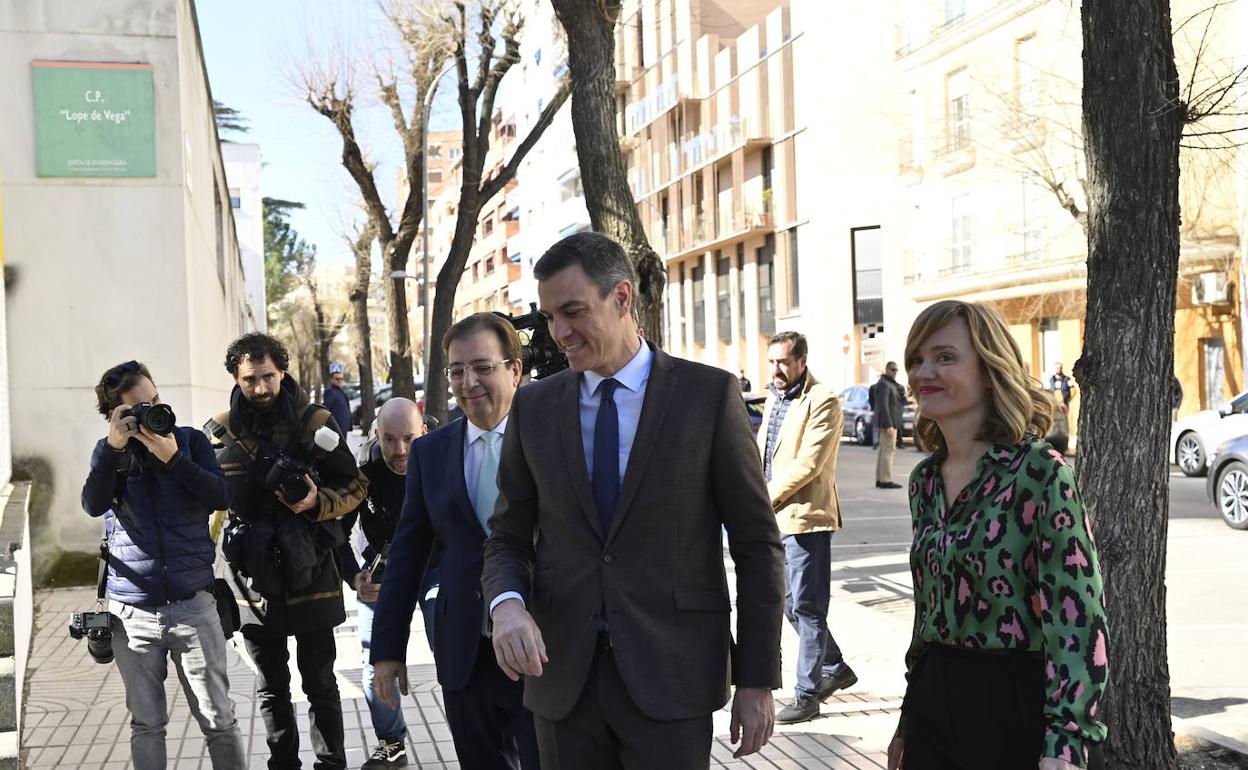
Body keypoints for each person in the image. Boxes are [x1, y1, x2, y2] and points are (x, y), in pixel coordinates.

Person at [482, 232, 785, 768]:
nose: (559, 333)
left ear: (622, 297)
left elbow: (757, 544)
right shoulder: (533, 407)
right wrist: (506, 606)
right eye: (550, 316)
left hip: (673, 677)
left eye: (573, 311)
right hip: (562, 679)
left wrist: (757, 678)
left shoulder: (707, 397)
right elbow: (507, 536)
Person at [887, 301, 1108, 770]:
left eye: (945, 357)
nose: (924, 371)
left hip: (1012, 705)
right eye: (916, 360)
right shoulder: (924, 481)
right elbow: (928, 614)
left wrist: (1066, 741)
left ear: (989, 370)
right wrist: (906, 721)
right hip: (931, 701)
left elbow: (1077, 618)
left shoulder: (1040, 473)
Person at [372, 313, 540, 769]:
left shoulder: (550, 440)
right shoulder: (432, 451)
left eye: (483, 367)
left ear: (515, 370)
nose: (469, 382)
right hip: (465, 651)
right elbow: (407, 554)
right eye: (457, 370)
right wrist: (387, 650)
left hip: (542, 650)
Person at [208, 333, 369, 770]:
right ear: (235, 378)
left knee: (320, 683)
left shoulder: (316, 423)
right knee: (270, 686)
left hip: (312, 570)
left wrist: (317, 503)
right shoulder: (219, 432)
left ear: (282, 371)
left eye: (268, 377)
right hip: (253, 582)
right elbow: (202, 506)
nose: (259, 388)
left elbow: (356, 486)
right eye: (249, 380)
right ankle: (283, 764)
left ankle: (331, 764)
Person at [80, 361, 246, 770]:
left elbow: (221, 496)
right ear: (116, 416)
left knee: (218, 721)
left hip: (194, 606)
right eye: (139, 408)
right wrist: (114, 448)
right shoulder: (109, 455)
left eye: (156, 399)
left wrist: (174, 459)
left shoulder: (189, 442)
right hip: (131, 614)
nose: (154, 410)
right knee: (147, 724)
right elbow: (93, 504)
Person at [758, 332, 856, 725]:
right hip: (775, 517)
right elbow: (765, 452)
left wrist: (761, 499)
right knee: (790, 606)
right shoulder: (774, 397)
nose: (776, 370)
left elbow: (808, 464)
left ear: (802, 360)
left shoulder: (824, 400)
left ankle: (807, 694)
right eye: (772, 362)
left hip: (806, 518)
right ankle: (835, 667)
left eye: (782, 362)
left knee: (809, 608)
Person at [335, 397, 428, 769]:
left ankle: (477, 737)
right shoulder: (364, 468)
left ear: (423, 432)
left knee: (453, 645)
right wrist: (353, 575)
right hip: (383, 567)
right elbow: (337, 531)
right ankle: (392, 743)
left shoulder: (439, 455)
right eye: (389, 439)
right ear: (376, 435)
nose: (399, 450)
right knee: (373, 660)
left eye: (408, 439)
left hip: (434, 567)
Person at [871, 361, 905, 489]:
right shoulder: (884, 384)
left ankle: (881, 479)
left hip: (889, 422)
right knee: (888, 451)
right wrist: (889, 424)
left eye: (896, 370)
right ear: (886, 369)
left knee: (883, 450)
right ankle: (886, 479)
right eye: (892, 369)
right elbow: (883, 405)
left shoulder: (888, 384)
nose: (894, 372)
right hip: (888, 423)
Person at [324, 365, 353, 437]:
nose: (339, 381)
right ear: (331, 380)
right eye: (337, 379)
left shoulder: (341, 392)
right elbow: (326, 409)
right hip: (335, 430)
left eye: (341, 379)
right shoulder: (330, 392)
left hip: (343, 429)